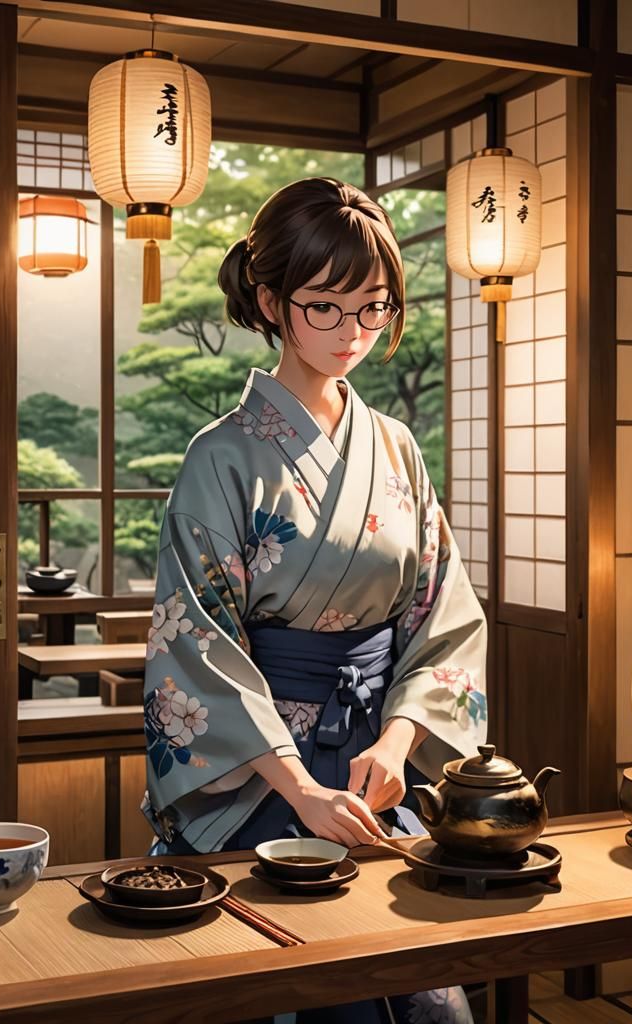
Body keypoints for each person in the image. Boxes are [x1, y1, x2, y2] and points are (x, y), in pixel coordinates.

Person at [142, 177, 486, 1024]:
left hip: (374, 769)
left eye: (373, 309)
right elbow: (199, 646)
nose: (352, 334)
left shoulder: (396, 448)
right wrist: (298, 788)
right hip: (262, 777)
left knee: (422, 987)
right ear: (270, 299)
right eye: (325, 307)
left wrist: (402, 742)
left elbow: (442, 618)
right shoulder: (219, 458)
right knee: (287, 987)